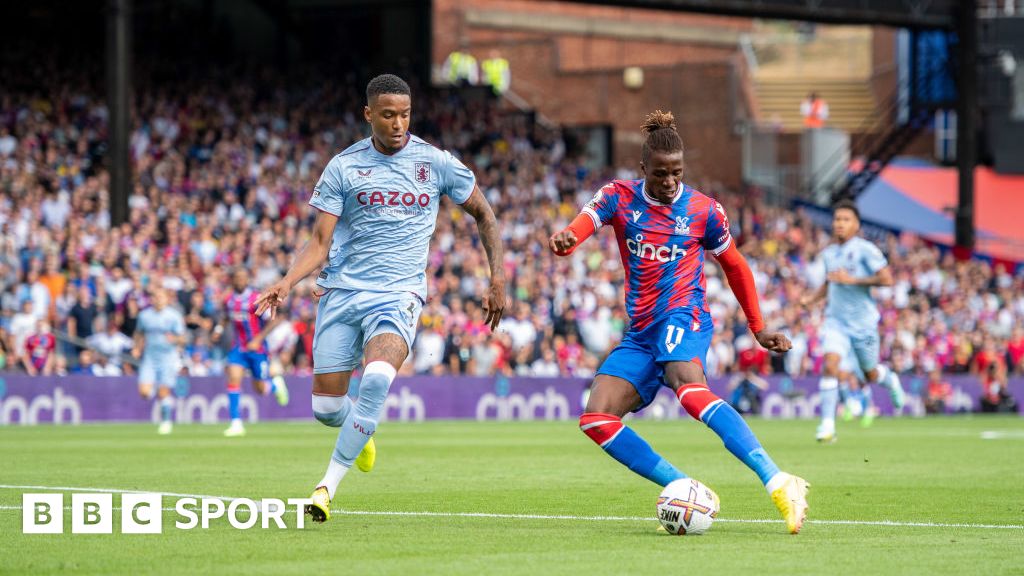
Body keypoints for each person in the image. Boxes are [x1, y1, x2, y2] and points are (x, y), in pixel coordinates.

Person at [256, 74, 505, 523]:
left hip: (399, 294)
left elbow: (485, 214)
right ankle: (360, 430)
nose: (398, 123)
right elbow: (319, 240)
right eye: (388, 115)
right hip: (342, 293)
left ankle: (324, 488)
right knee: (326, 409)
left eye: (405, 114)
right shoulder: (344, 167)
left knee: (374, 381)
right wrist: (288, 281)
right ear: (369, 114)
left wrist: (497, 279)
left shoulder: (436, 162)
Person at [548, 110, 809, 535]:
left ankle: (780, 482)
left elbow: (736, 266)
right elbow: (584, 222)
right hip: (640, 332)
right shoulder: (618, 196)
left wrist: (758, 327)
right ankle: (681, 485)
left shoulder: (704, 210)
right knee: (596, 417)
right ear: (643, 169)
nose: (670, 182)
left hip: (683, 314)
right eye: (661, 174)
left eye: (677, 173)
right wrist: (568, 239)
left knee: (689, 391)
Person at [800, 200, 905, 443]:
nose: (840, 224)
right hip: (835, 321)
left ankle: (890, 379)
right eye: (837, 219)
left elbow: (887, 279)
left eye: (845, 220)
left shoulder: (866, 249)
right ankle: (827, 425)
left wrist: (854, 280)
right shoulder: (828, 253)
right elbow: (830, 283)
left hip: (863, 323)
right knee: (830, 364)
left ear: (856, 225)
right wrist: (812, 299)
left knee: (869, 374)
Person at [216, 268, 290, 438]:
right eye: (237, 277)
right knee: (233, 378)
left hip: (258, 349)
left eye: (243, 277)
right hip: (238, 348)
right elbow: (225, 317)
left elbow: (274, 321)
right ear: (233, 280)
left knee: (260, 388)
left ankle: (275, 385)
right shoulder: (228, 299)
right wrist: (219, 329)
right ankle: (236, 423)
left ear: (247, 279)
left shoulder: (256, 298)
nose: (240, 280)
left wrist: (258, 339)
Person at [133, 288, 186, 435]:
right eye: (155, 296)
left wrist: (175, 339)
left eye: (161, 297)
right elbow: (139, 333)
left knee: (163, 392)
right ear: (152, 299)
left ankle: (166, 421)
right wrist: (137, 347)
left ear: (166, 299)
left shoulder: (173, 316)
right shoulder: (144, 316)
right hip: (149, 358)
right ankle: (158, 392)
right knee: (144, 392)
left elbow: (183, 338)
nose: (158, 299)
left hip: (168, 358)